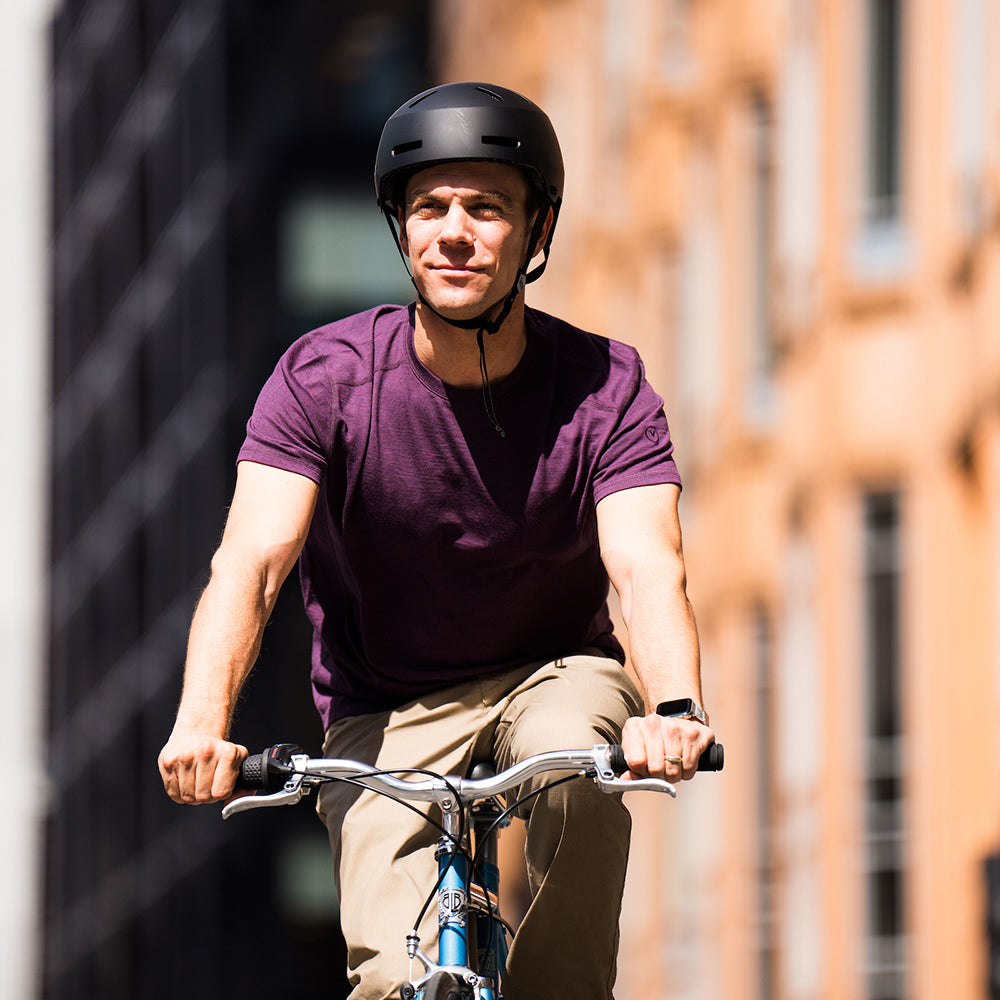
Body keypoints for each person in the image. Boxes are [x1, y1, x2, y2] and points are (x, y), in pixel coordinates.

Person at [158, 81, 715, 1000]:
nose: (454, 230)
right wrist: (201, 725)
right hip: (385, 711)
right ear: (402, 230)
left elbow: (647, 564)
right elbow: (251, 566)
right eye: (430, 207)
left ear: (536, 234)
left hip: (554, 673)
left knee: (583, 756)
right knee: (389, 984)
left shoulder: (606, 386)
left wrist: (678, 709)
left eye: (487, 207)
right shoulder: (324, 381)